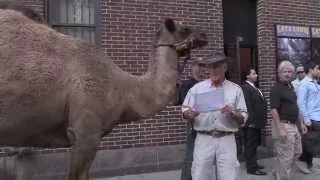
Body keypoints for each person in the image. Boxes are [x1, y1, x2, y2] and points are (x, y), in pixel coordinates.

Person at [182, 53, 248, 180]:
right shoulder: (197, 89)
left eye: (217, 66)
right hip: (203, 138)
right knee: (200, 174)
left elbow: (243, 117)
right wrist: (190, 114)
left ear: (225, 67)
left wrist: (233, 112)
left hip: (227, 139)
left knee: (229, 175)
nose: (213, 70)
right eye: (210, 67)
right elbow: (185, 110)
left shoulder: (235, 90)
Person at [270, 60, 307, 180]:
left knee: (297, 152)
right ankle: (282, 176)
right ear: (279, 73)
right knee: (286, 156)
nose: (287, 74)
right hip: (283, 125)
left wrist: (301, 123)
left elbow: (295, 106)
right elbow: (274, 110)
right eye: (284, 71)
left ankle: (277, 171)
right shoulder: (276, 88)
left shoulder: (290, 87)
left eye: (290, 72)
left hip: (294, 125)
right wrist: (279, 129)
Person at [179, 59, 203, 180]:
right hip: (193, 124)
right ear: (192, 67)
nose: (200, 69)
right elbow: (185, 105)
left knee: (202, 157)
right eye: (198, 66)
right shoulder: (187, 84)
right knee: (190, 156)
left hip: (205, 124)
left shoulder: (205, 84)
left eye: (202, 66)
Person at [241, 68, 267, 175]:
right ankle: (251, 168)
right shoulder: (245, 88)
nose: (256, 75)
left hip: (257, 122)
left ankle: (254, 163)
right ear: (247, 76)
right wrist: (250, 121)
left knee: (255, 144)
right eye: (253, 73)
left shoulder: (255, 88)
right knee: (250, 145)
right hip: (252, 123)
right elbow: (247, 105)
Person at [296, 61, 320, 173]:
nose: (318, 71)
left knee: (314, 142)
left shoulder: (315, 82)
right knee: (310, 142)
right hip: (311, 118)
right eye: (317, 69)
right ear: (310, 70)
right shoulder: (304, 84)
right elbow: (301, 103)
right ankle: (308, 164)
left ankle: (308, 163)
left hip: (317, 116)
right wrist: (306, 119)